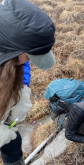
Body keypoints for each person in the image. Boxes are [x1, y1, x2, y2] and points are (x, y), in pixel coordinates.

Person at [0, 0, 56, 164]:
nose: (29, 61)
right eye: (30, 56)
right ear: (10, 51)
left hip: (5, 122)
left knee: (12, 142)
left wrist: (22, 90)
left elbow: (22, 67)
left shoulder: (12, 61)